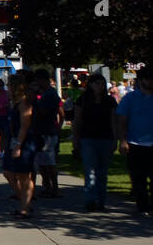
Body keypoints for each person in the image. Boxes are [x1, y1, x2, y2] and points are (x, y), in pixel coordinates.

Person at [74, 72, 118, 212]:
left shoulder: (110, 101)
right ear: (91, 85)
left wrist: (115, 139)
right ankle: (90, 200)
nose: (100, 86)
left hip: (105, 138)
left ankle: (101, 201)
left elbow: (114, 121)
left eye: (102, 83)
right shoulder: (83, 100)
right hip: (88, 138)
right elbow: (77, 121)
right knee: (90, 171)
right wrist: (76, 140)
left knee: (102, 172)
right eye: (97, 83)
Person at [116, 65, 153, 216]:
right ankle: (142, 207)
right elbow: (122, 120)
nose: (151, 81)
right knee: (139, 178)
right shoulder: (130, 98)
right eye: (148, 78)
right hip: (135, 143)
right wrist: (123, 140)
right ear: (141, 80)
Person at [3, 76, 38, 217]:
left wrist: (18, 145)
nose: (8, 88)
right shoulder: (15, 103)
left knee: (24, 176)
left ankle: (25, 207)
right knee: (8, 173)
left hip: (24, 142)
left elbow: (25, 126)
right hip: (14, 141)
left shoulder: (24, 104)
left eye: (10, 85)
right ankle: (25, 202)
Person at [31, 67, 64, 198]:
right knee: (42, 163)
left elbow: (43, 111)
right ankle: (47, 186)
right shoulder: (45, 93)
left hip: (48, 132)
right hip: (41, 131)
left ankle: (54, 188)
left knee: (49, 162)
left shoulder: (50, 94)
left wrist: (34, 100)